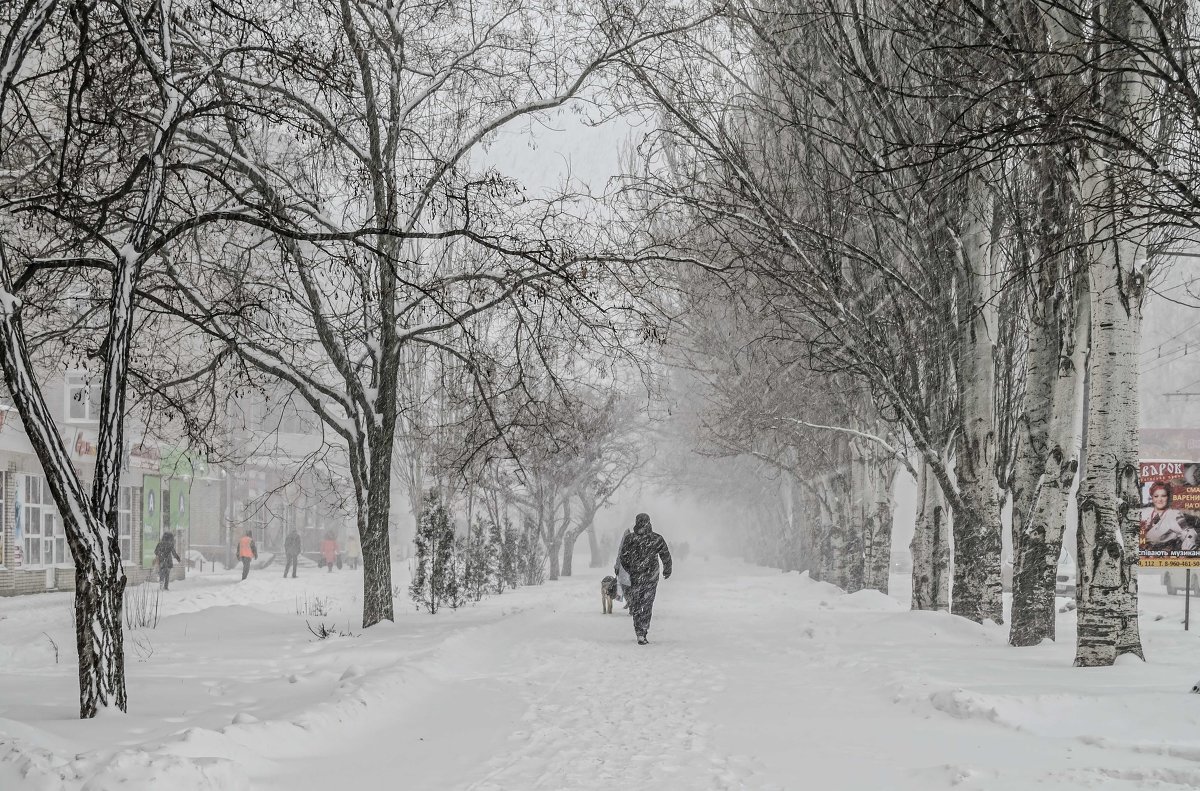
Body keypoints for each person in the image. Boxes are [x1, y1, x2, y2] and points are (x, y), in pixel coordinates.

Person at [617, 512, 672, 645]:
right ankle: (644, 629)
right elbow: (665, 555)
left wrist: (630, 569)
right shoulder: (656, 538)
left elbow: (623, 557)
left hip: (636, 576)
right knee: (647, 604)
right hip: (651, 576)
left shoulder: (630, 538)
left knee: (636, 604)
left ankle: (639, 632)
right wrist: (667, 569)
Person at [1141, 482, 1196, 551]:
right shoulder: (1145, 512)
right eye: (1156, 496)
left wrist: (1187, 548)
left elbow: (1189, 533)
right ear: (1152, 497)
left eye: (1163, 496)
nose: (1159, 499)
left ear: (1168, 497)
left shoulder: (1173, 515)